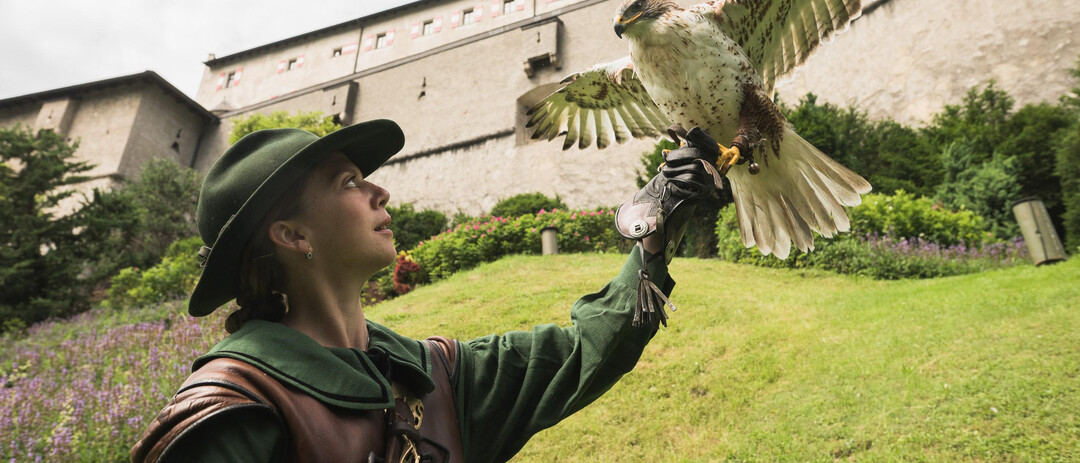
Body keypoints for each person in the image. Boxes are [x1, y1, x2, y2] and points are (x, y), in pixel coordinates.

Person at [131, 119, 720, 463]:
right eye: (348, 183)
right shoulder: (232, 413)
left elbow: (583, 350)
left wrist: (655, 228)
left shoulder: (431, 375)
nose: (379, 192)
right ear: (291, 234)